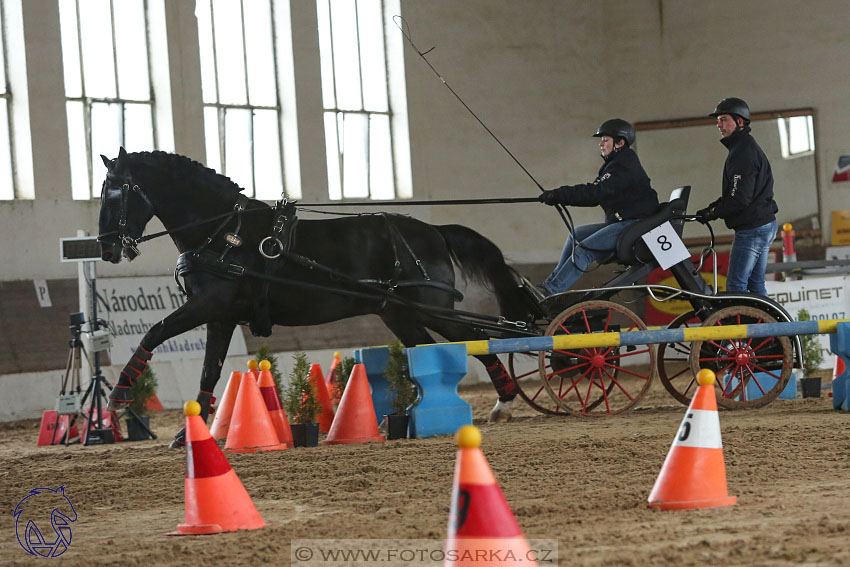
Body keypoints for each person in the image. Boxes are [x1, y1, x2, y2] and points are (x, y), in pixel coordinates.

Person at [538, 119, 659, 295]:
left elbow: (596, 192)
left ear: (620, 142)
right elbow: (595, 193)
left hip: (635, 225)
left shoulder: (624, 165)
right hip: (625, 222)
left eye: (605, 140)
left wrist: (559, 194)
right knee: (576, 235)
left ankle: (550, 291)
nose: (600, 144)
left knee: (584, 250)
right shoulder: (616, 164)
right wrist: (558, 196)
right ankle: (549, 286)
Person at [696, 97, 778, 296]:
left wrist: (713, 212)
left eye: (724, 119)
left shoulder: (742, 152)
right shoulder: (741, 148)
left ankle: (747, 327)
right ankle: (769, 326)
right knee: (755, 286)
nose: (719, 125)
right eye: (718, 120)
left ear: (740, 122)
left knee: (736, 288)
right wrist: (712, 208)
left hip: (753, 229)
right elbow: (737, 192)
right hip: (761, 224)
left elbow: (740, 198)